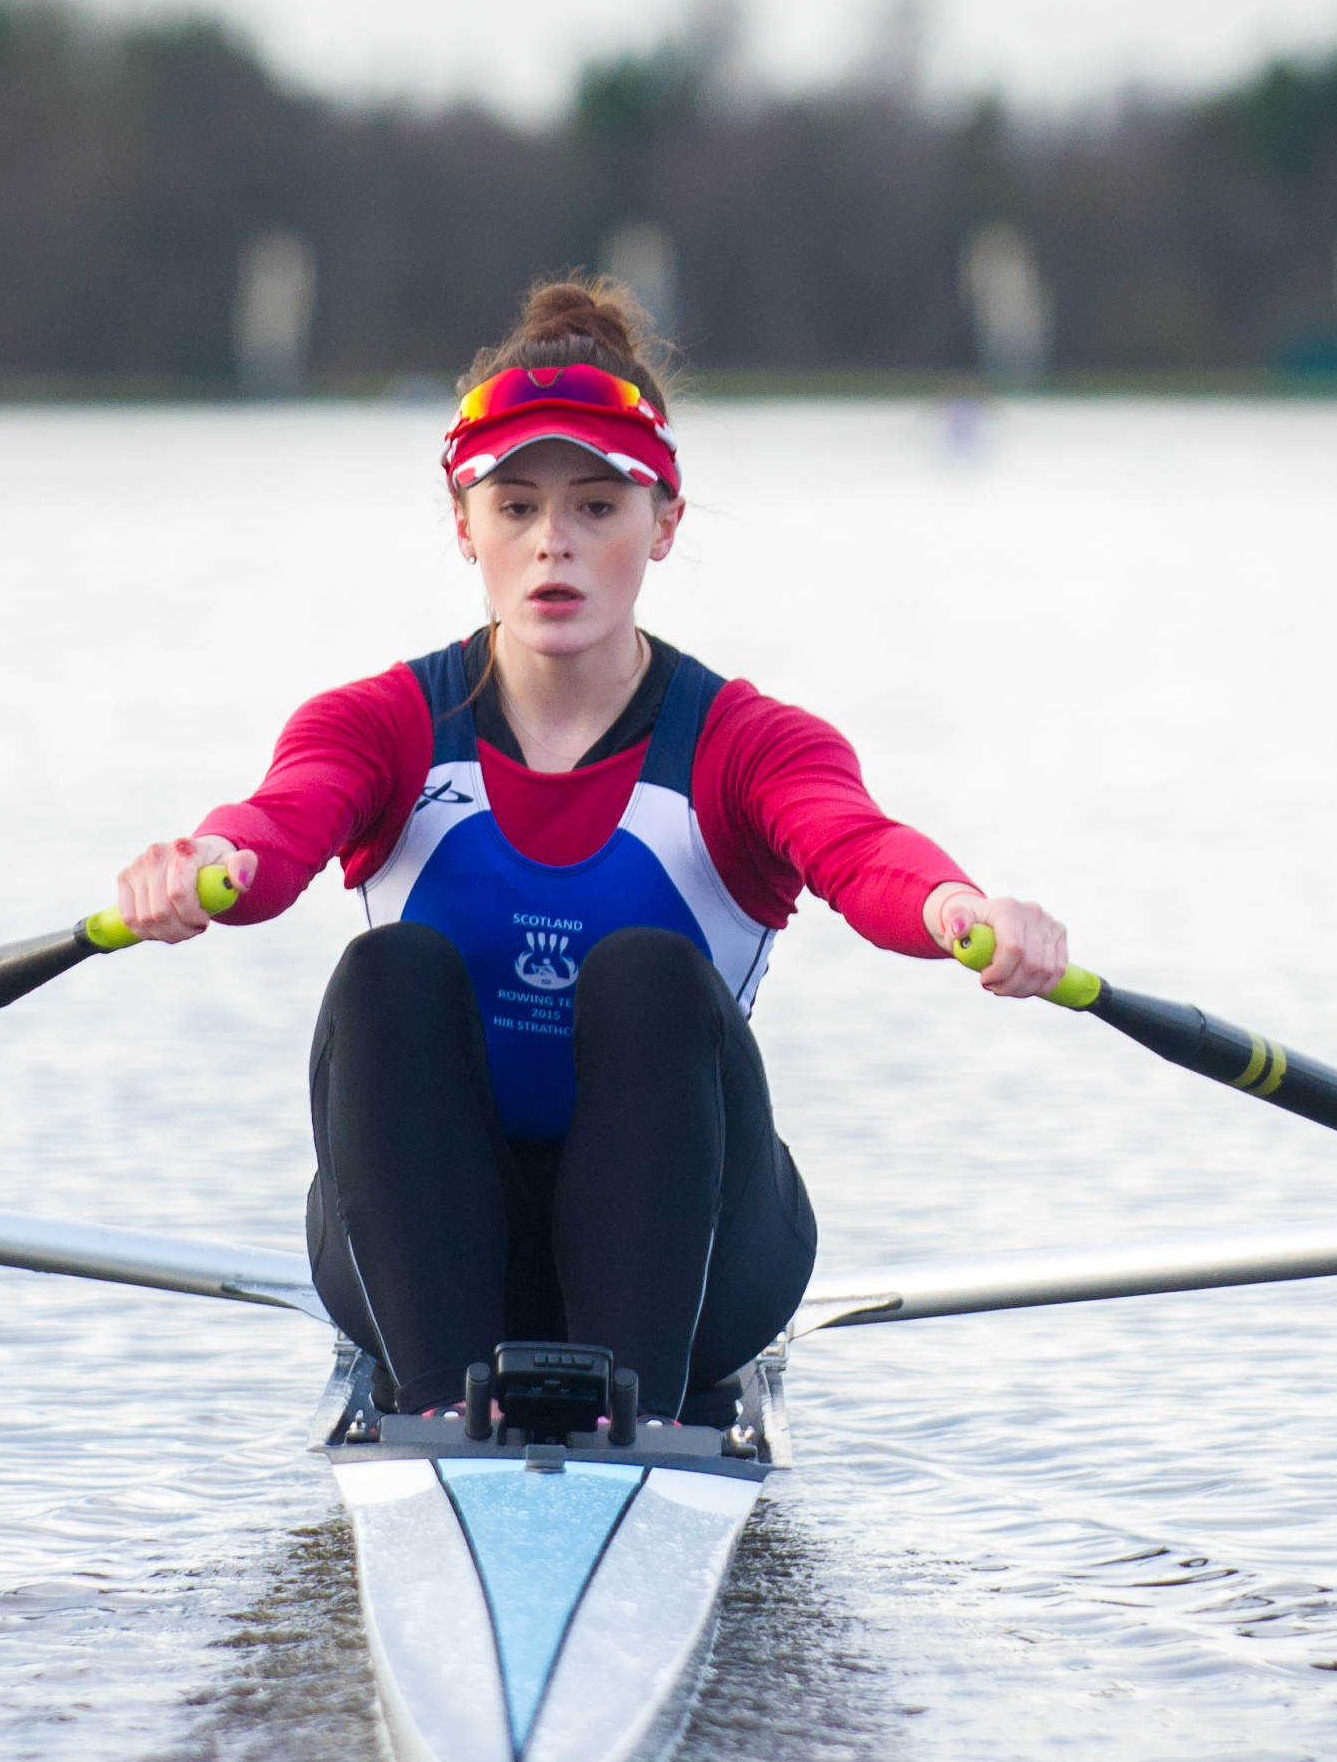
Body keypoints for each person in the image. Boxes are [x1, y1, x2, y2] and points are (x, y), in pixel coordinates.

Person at [111, 275, 1071, 1430]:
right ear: (461, 524)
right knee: (383, 976)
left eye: (595, 507)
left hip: (697, 1263)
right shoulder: (378, 724)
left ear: (662, 522)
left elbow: (862, 853)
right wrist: (201, 860)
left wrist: (960, 909)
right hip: (429, 1255)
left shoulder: (747, 743)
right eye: (513, 507)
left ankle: (638, 1416)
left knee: (647, 973)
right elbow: (278, 827)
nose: (551, 546)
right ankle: (437, 1416)